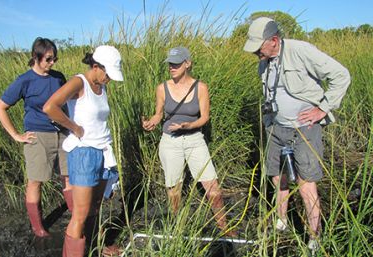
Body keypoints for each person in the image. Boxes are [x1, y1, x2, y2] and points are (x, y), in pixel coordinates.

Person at [243, 17, 351, 251]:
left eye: (258, 46)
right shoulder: (264, 61)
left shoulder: (301, 50)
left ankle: (314, 237)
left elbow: (341, 76)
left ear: (273, 40)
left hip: (304, 129)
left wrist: (322, 109)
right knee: (276, 177)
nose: (255, 53)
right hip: (276, 128)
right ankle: (282, 221)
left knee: (305, 185)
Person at [142, 46, 237, 237]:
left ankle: (223, 227)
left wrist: (189, 125)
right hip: (170, 141)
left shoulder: (201, 87)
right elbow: (159, 114)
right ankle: (177, 226)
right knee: (174, 186)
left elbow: (204, 118)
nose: (172, 67)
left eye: (176, 63)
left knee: (212, 185)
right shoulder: (162, 88)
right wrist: (151, 122)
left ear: (188, 63)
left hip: (195, 140)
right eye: (170, 63)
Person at [43, 45, 123, 257]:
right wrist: (74, 127)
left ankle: (94, 247)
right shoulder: (79, 82)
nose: (110, 79)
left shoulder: (102, 86)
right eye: (108, 73)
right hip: (84, 152)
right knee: (79, 213)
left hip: (103, 151)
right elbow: (50, 107)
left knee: (95, 207)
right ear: (96, 66)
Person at [0, 37, 72, 237]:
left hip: (62, 134)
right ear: (35, 57)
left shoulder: (58, 77)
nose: (52, 63)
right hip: (38, 135)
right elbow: (1, 108)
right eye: (48, 59)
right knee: (36, 181)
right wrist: (15, 135)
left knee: (68, 176)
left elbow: (65, 104)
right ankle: (38, 228)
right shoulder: (24, 80)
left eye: (55, 58)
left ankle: (75, 217)